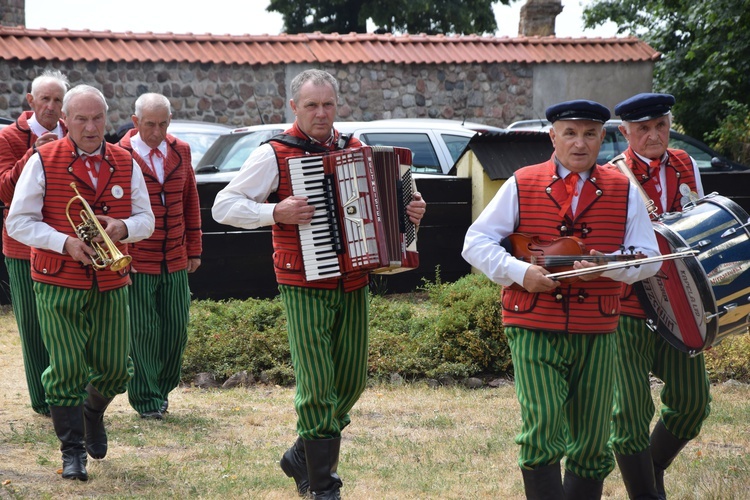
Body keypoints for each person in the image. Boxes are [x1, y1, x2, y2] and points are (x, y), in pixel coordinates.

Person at [212, 68, 426, 499]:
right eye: (312, 105)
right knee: (315, 385)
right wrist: (275, 212)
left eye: (328, 104)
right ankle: (323, 485)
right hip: (303, 279)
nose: (321, 113)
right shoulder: (274, 153)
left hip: (353, 278)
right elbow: (223, 206)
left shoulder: (355, 147)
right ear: (294, 107)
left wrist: (412, 209)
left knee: (350, 383)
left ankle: (299, 456)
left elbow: (391, 201)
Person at [462, 100, 661, 499]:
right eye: (569, 133)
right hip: (533, 323)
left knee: (591, 439)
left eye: (589, 134)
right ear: (552, 136)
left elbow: (650, 258)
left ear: (602, 138)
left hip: (598, 327)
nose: (580, 143)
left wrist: (605, 267)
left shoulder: (624, 190)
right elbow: (475, 243)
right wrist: (522, 273)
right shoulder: (522, 181)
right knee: (543, 426)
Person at [5, 84, 154, 481]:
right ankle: (72, 451)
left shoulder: (126, 159)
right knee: (67, 367)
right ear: (66, 120)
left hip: (111, 278)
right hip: (58, 279)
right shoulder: (42, 159)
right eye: (82, 119)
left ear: (107, 118)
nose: (90, 127)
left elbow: (147, 220)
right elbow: (17, 222)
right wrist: (64, 241)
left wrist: (122, 227)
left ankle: (91, 413)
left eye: (97, 118)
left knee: (116, 371)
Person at [607, 93, 710, 500]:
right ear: (625, 132)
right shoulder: (612, 177)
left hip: (682, 302)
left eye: (661, 125)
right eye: (643, 128)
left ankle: (651, 467)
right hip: (630, 304)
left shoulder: (686, 163)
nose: (654, 135)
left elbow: (698, 217)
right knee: (629, 413)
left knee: (693, 403)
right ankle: (646, 493)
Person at [117, 93, 202, 420]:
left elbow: (190, 200)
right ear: (136, 122)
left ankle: (161, 390)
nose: (157, 131)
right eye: (150, 124)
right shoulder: (121, 154)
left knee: (176, 329)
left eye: (163, 124)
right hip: (138, 260)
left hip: (176, 256)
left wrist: (194, 248)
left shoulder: (180, 150)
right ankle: (146, 399)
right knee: (142, 332)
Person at [0, 69, 69, 417]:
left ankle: (66, 389)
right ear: (30, 101)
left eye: (58, 100)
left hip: (64, 243)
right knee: (31, 322)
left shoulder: (75, 134)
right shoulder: (10, 137)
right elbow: (3, 191)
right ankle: (44, 401)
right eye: (45, 99)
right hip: (22, 246)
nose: (52, 106)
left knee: (64, 319)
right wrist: (32, 157)